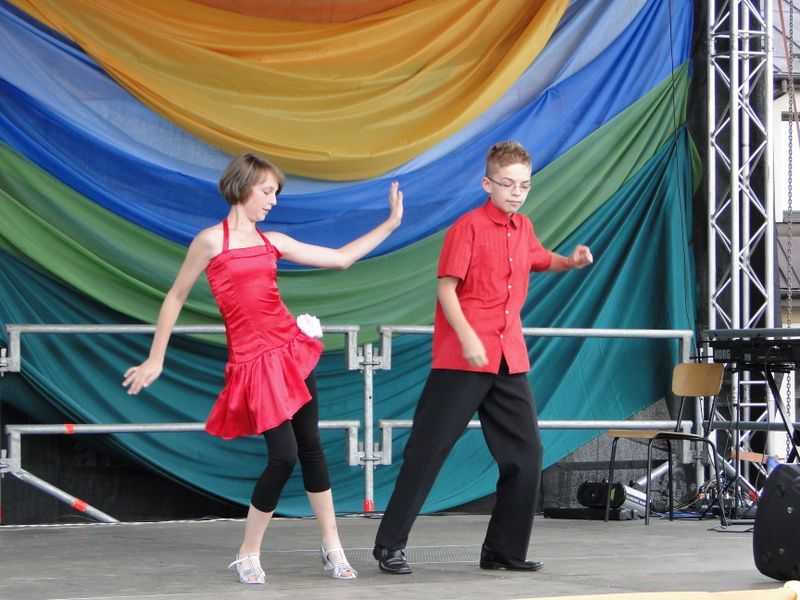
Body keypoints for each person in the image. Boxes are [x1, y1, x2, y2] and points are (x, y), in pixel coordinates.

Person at [123, 152, 403, 584]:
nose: (273, 201)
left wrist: (391, 224)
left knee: (310, 447)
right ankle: (248, 552)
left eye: (275, 193)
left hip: (291, 352)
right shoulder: (210, 242)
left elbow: (341, 258)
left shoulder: (272, 241)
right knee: (283, 457)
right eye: (267, 191)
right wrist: (156, 357)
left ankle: (332, 546)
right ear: (243, 187)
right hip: (254, 365)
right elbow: (175, 296)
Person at [372, 141, 592, 574]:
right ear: (487, 184)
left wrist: (570, 261)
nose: (516, 192)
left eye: (524, 185)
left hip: (508, 358)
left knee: (526, 456)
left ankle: (502, 550)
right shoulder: (467, 227)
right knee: (428, 451)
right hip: (463, 358)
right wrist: (468, 336)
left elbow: (540, 259)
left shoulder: (523, 227)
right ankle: (389, 547)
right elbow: (446, 289)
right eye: (508, 184)